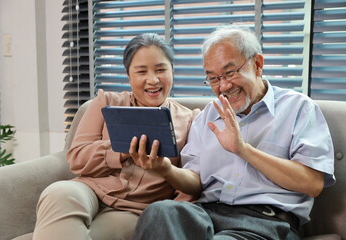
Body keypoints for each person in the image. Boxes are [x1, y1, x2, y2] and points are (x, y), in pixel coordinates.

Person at [130, 25, 335, 240]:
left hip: (267, 222)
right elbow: (195, 180)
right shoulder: (207, 116)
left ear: (257, 64)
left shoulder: (298, 108)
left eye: (229, 72)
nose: (224, 86)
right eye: (214, 78)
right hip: (207, 213)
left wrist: (243, 150)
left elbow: (313, 184)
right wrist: (165, 169)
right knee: (159, 212)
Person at [32, 33, 200, 240]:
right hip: (90, 191)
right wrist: (120, 148)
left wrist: (166, 169)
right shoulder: (105, 103)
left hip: (135, 209)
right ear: (128, 75)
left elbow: (193, 185)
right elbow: (76, 159)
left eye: (160, 69)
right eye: (141, 71)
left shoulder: (191, 120)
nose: (153, 80)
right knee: (59, 192)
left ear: (172, 71)